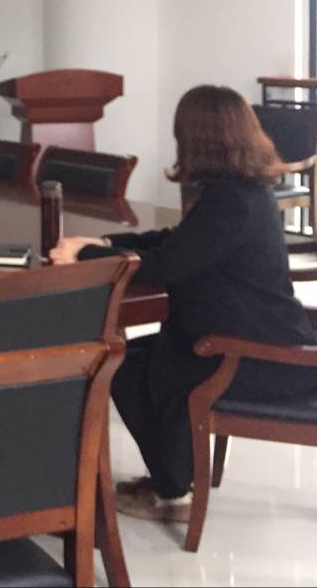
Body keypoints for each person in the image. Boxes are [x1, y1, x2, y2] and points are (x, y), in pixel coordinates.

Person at [50, 84, 317, 523]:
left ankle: (173, 491)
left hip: (257, 356)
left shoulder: (232, 201)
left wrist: (88, 255)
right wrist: (107, 243)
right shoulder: (239, 191)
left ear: (197, 140)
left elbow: (166, 265)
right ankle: (170, 480)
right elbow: (177, 242)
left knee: (124, 367)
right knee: (129, 359)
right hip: (246, 336)